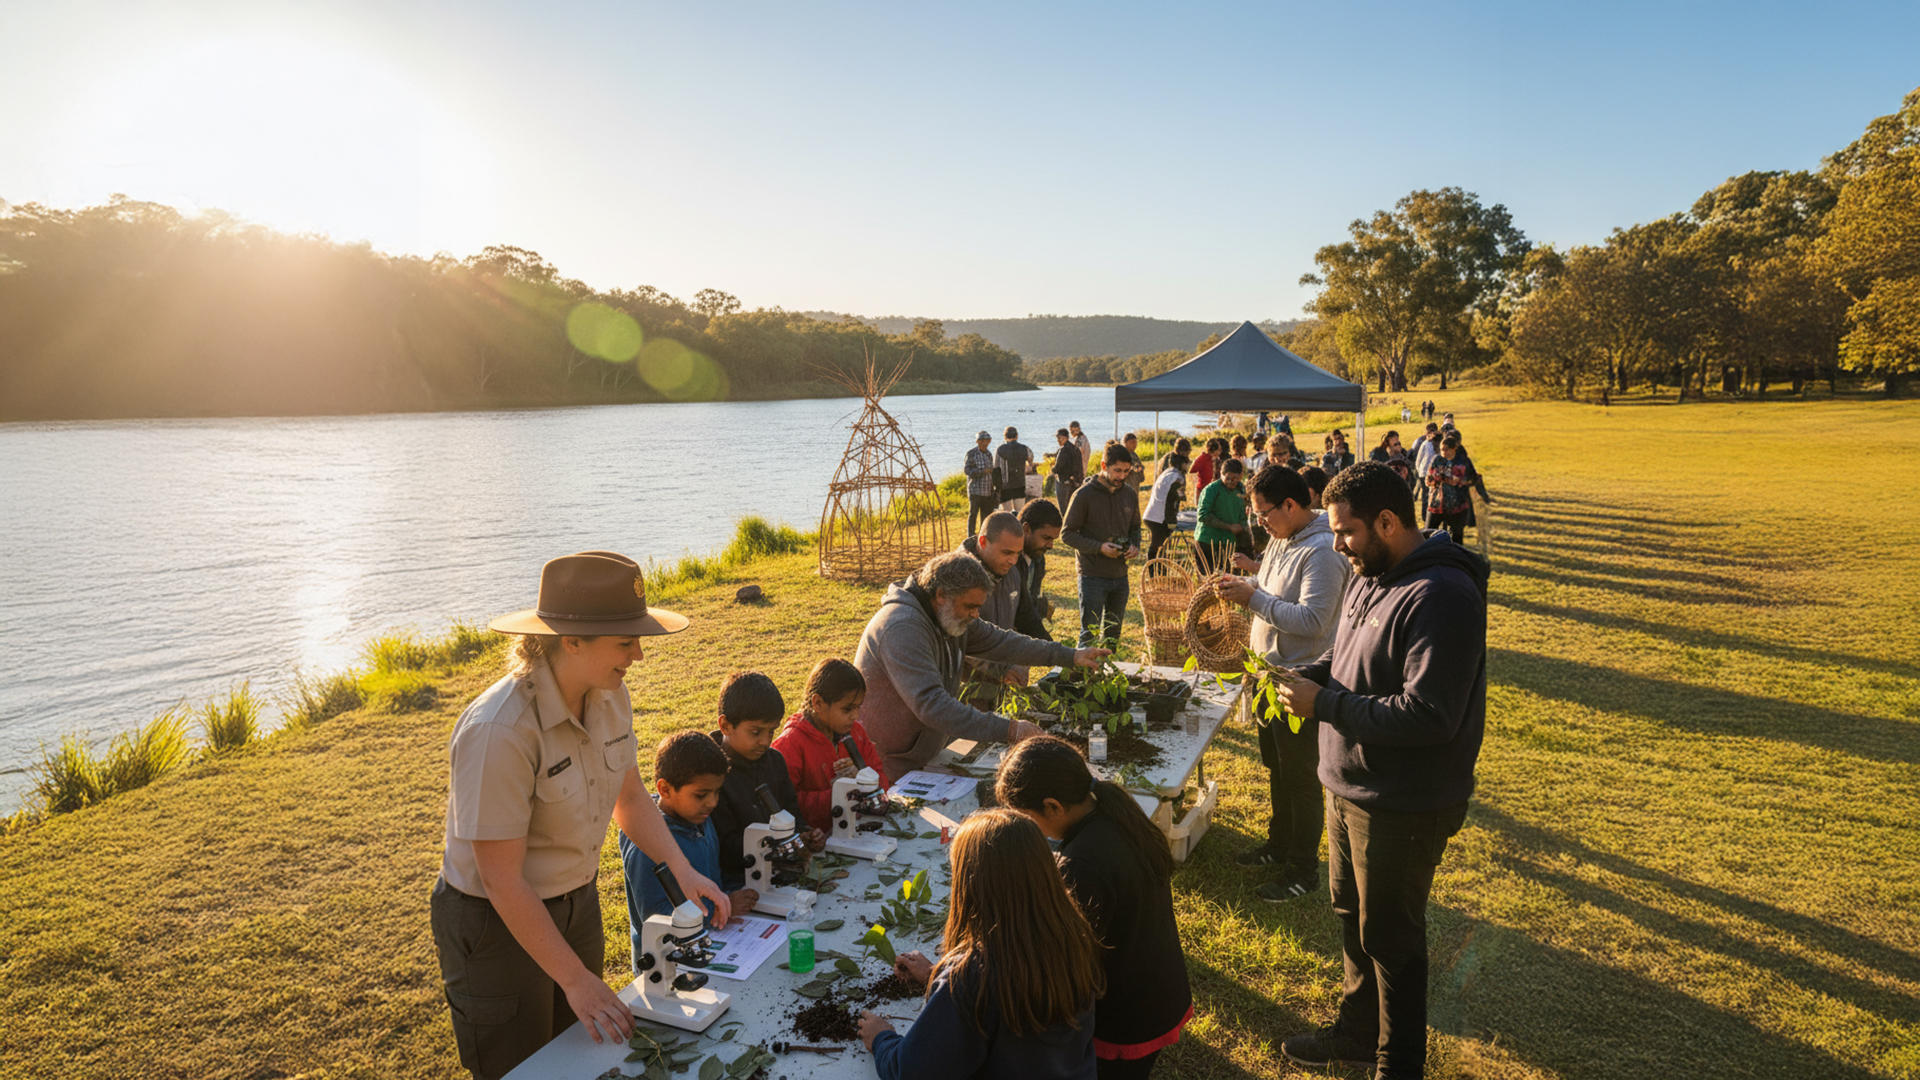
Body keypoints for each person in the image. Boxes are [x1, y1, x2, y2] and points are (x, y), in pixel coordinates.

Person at [432, 551, 729, 1080]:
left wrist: (684, 873)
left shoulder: (611, 696)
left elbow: (630, 798)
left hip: (577, 903)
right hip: (495, 922)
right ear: (571, 640)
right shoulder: (499, 731)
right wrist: (574, 978)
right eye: (625, 641)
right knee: (520, 1065)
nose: (638, 654)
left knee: (578, 1057)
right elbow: (501, 878)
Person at [1269, 462, 1488, 1080]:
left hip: (1402, 801)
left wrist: (1327, 706)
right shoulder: (1372, 574)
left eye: (1345, 532)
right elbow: (1348, 654)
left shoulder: (1442, 594)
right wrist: (1313, 678)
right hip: (1348, 786)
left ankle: (1399, 1066)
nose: (1335, 544)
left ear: (1388, 523)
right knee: (1352, 919)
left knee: (1392, 941)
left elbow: (1430, 715)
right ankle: (1358, 1035)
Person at [997, 737, 1192, 1078]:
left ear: (1053, 807)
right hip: (1158, 992)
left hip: (1125, 1020)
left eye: (1028, 818)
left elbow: (1060, 962)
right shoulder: (1113, 811)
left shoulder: (1083, 864)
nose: (1030, 830)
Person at [856, 810, 1104, 1080]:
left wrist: (881, 1038)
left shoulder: (974, 976)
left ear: (970, 884)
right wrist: (937, 974)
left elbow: (912, 1071)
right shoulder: (1072, 936)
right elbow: (1008, 999)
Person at [1214, 467, 1351, 900]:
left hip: (1300, 683)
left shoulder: (1322, 553)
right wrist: (1245, 584)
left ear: (1291, 505)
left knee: (1301, 779)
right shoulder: (1280, 538)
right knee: (1277, 769)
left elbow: (1313, 621)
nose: (1260, 522)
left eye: (1263, 514)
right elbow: (1271, 587)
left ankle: (1302, 870)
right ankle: (1279, 845)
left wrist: (1253, 598)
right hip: (1266, 677)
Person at [855, 551, 1110, 779]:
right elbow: (932, 705)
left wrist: (1070, 656)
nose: (975, 614)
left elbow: (1004, 642)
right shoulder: (902, 627)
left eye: (979, 606)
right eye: (970, 606)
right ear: (941, 594)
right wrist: (1010, 729)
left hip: (922, 755)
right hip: (887, 763)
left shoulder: (950, 615)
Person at [621, 731, 759, 960]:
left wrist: (728, 895)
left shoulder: (699, 818)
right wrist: (718, 908)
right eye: (701, 794)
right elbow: (654, 917)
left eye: (716, 792)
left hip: (711, 942)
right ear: (665, 789)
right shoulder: (646, 845)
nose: (712, 802)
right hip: (667, 961)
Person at [706, 671, 821, 894]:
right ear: (726, 725)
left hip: (781, 872)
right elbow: (724, 845)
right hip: (736, 883)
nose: (765, 741)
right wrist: (776, 845)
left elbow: (792, 811)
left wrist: (804, 835)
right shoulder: (712, 774)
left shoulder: (775, 760)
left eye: (771, 732)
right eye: (756, 732)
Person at [774, 658, 887, 834]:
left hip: (858, 830)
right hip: (817, 841)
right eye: (847, 709)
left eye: (858, 707)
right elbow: (784, 806)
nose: (855, 716)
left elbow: (882, 781)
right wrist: (840, 793)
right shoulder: (790, 744)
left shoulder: (855, 733)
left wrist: (864, 779)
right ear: (818, 703)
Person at [1061, 443, 1141, 648]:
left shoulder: (1130, 494)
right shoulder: (1083, 495)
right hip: (1092, 576)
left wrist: (1135, 546)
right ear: (1104, 465)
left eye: (1126, 471)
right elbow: (1067, 534)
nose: (1122, 476)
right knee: (1089, 635)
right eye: (1117, 471)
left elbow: (1135, 527)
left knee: (1113, 635)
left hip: (1120, 576)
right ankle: (1084, 678)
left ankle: (1108, 676)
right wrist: (1099, 547)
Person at [960, 511, 1042, 687]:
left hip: (1000, 685)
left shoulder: (1011, 572)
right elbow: (962, 640)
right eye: (1007, 552)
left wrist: (1064, 657)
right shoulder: (958, 578)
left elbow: (1027, 618)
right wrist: (1003, 669)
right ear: (983, 542)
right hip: (966, 687)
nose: (1013, 560)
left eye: (1018, 553)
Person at [1015, 499, 1064, 639]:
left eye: (1053, 540)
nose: (1050, 546)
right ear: (1026, 529)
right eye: (1046, 538)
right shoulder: (1008, 561)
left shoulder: (1037, 557)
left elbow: (1030, 604)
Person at [1194, 457, 1247, 574]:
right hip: (1208, 541)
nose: (1231, 481)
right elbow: (1203, 515)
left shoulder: (1241, 489)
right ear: (1221, 474)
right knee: (1208, 579)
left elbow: (1243, 511)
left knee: (1226, 579)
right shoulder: (1211, 490)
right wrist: (1229, 526)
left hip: (1227, 543)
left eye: (1235, 478)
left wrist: (1242, 525)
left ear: (1241, 476)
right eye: (1227, 478)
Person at [1425, 434, 1473, 544]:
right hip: (1436, 504)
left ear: (1454, 448)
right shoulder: (1437, 459)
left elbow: (1467, 479)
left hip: (1456, 506)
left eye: (1446, 450)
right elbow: (1429, 479)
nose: (1443, 452)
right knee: (1428, 534)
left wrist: (1458, 480)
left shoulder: (1462, 461)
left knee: (1456, 538)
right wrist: (1431, 479)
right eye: (1442, 449)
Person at [1143, 452, 1188, 561]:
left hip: (1152, 514)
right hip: (1159, 517)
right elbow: (1170, 499)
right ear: (1182, 465)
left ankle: (1158, 572)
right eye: (1187, 464)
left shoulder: (1167, 473)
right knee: (1157, 548)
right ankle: (1154, 574)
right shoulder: (1177, 477)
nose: (1188, 468)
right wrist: (1171, 520)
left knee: (1159, 547)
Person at [964, 432, 999, 537]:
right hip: (975, 489)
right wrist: (982, 471)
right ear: (977, 441)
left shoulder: (989, 454)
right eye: (982, 441)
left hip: (987, 489)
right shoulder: (971, 454)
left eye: (987, 441)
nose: (984, 443)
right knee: (973, 514)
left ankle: (983, 534)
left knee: (986, 515)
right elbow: (967, 471)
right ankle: (970, 536)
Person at [996, 427, 1033, 512]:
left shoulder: (1000, 449)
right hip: (1019, 483)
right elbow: (1030, 459)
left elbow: (996, 468)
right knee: (1020, 511)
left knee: (1007, 511)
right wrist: (1027, 468)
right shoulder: (1024, 448)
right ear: (1017, 436)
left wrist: (996, 487)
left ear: (1005, 437)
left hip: (1005, 485)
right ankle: (1020, 525)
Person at [1052, 428, 1084, 511]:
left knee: (1064, 508)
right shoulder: (1076, 449)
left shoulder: (1063, 450)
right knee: (1073, 507)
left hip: (1064, 482)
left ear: (1065, 438)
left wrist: (1052, 470)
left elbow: (1058, 467)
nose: (1058, 440)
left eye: (1059, 438)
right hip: (1076, 482)